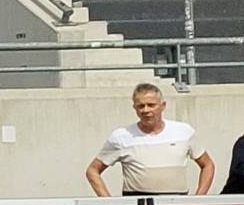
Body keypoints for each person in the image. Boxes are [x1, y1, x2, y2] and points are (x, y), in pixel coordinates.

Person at [88, 83, 216, 197]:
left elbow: (207, 165)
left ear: (163, 106)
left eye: (151, 105)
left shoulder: (184, 132)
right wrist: (109, 203)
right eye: (141, 106)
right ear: (135, 108)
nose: (146, 110)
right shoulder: (121, 136)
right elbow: (93, 170)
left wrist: (199, 199)